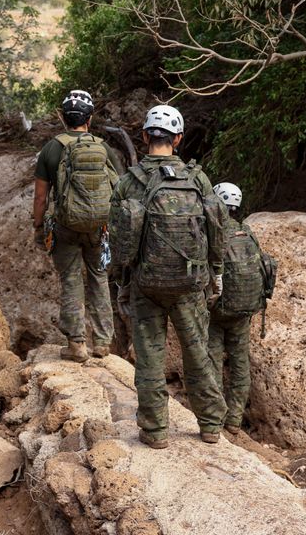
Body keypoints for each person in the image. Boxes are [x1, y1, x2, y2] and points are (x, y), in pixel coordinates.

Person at [109, 104, 227, 448]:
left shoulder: (129, 181)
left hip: (147, 284)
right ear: (178, 138)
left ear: (145, 136)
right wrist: (215, 273)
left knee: (149, 356)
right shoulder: (198, 178)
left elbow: (118, 237)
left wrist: (121, 280)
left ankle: (156, 431)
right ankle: (209, 426)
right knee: (198, 353)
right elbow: (217, 229)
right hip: (191, 283)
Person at [32, 90, 123, 361]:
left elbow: (40, 197)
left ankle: (77, 344)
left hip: (65, 226)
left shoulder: (51, 149)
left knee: (71, 278)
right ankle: (104, 342)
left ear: (62, 117)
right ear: (90, 118)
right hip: (98, 226)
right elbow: (119, 188)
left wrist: (38, 227)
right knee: (98, 276)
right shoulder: (103, 147)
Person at [207, 182, 267, 436]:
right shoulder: (247, 232)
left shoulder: (214, 232)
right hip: (244, 309)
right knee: (240, 362)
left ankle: (214, 418)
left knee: (212, 360)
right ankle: (234, 420)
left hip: (216, 309)